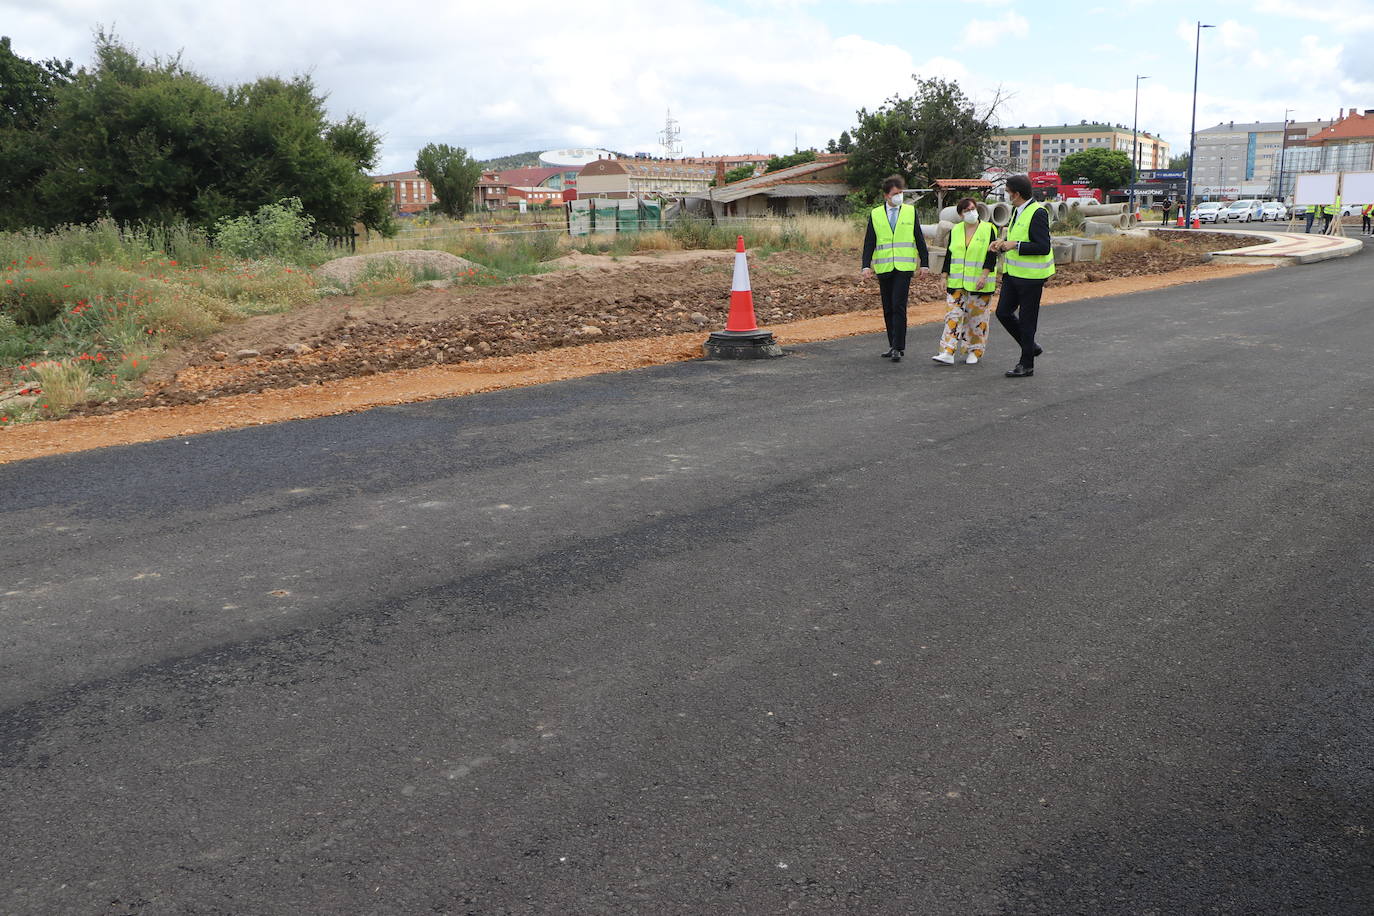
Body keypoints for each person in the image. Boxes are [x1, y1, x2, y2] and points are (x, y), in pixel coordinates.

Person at [861, 175, 931, 362]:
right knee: (888, 308)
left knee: (898, 305)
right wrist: (865, 265)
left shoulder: (910, 211)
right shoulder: (875, 214)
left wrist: (924, 263)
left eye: (900, 193)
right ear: (886, 196)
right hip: (884, 266)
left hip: (903, 266)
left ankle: (899, 347)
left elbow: (919, 238)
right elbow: (870, 241)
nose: (899, 196)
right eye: (895, 193)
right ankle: (892, 344)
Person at [989, 174, 1052, 378]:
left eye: (1008, 192)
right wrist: (1001, 243)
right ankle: (1030, 346)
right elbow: (1016, 238)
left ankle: (1027, 364)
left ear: (1017, 194)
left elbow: (1043, 246)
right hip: (1013, 274)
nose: (1007, 196)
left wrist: (1015, 245)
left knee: (1027, 320)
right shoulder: (1018, 210)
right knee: (1003, 313)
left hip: (1032, 277)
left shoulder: (1037, 212)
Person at [933, 198, 999, 365]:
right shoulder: (956, 230)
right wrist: (943, 276)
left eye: (973, 209)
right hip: (956, 282)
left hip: (979, 282)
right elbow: (949, 254)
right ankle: (948, 351)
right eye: (967, 210)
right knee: (953, 315)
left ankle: (974, 350)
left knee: (976, 319)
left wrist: (984, 275)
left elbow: (991, 255)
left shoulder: (988, 229)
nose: (971, 212)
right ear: (961, 215)